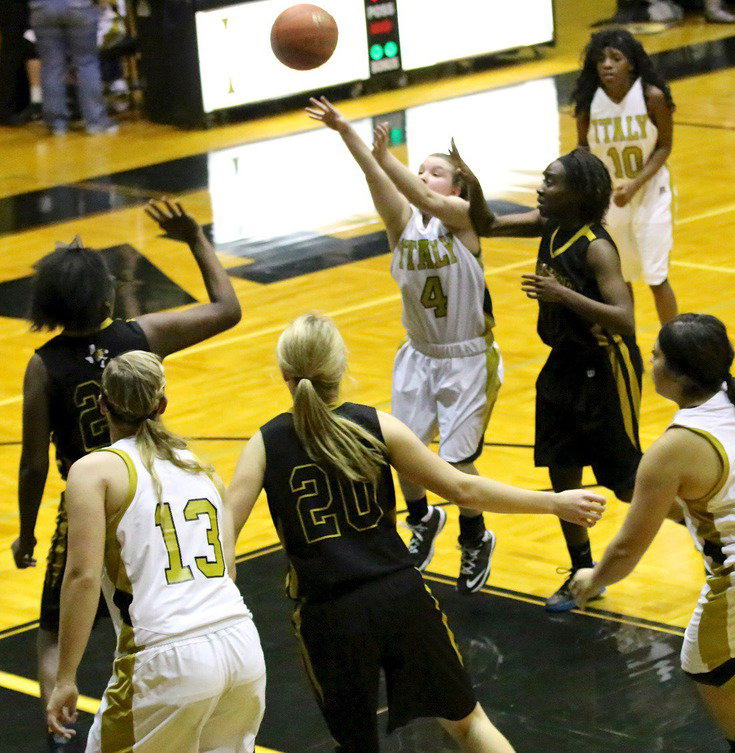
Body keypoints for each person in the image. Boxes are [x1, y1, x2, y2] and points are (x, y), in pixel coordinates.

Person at [227, 312, 605, 753]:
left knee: (355, 745)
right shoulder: (377, 425)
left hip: (329, 616)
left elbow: (222, 539)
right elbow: (465, 487)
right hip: (399, 596)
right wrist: (554, 502)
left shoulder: (265, 443)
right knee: (469, 725)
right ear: (341, 367)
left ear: (283, 375)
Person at [13, 199, 241, 752]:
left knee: (53, 629)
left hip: (90, 503)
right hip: (151, 493)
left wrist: (27, 531)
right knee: (151, 608)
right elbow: (227, 308)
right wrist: (195, 239)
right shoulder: (139, 336)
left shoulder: (44, 364)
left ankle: (61, 731)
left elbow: (34, 462)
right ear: (105, 295)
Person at [571, 313, 735, 753]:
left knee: (705, 667)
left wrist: (592, 578)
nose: (650, 360)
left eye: (655, 354)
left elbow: (625, 550)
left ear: (674, 373)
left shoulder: (673, 448)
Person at [307, 96, 503, 594]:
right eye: (420, 169)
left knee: (456, 463)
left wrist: (389, 157)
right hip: (418, 354)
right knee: (401, 454)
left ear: (457, 185)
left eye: (434, 171)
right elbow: (377, 181)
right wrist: (347, 131)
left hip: (467, 358)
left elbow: (430, 200)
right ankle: (421, 520)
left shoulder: (462, 216)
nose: (424, 176)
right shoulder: (403, 227)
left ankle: (475, 536)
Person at [452, 147, 643, 611]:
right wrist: (472, 183)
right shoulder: (549, 225)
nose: (541, 187)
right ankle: (582, 572)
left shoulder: (596, 246)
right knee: (562, 473)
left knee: (625, 483)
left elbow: (625, 319)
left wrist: (563, 294)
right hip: (564, 364)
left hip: (606, 365)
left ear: (577, 193)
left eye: (551, 181)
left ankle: (713, 538)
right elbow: (487, 225)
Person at [46, 351, 266, 753]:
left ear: (102, 405)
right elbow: (228, 571)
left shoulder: (94, 471)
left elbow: (82, 577)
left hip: (168, 656)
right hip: (242, 644)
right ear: (161, 405)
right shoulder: (201, 467)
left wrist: (64, 678)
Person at [572, 28, 679, 326]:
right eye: (601, 59)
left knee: (656, 277)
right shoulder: (589, 103)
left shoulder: (651, 97)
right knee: (620, 277)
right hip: (611, 200)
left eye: (615, 58)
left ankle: (675, 345)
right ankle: (626, 344)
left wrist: (635, 184)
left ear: (630, 63)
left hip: (650, 194)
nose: (606, 64)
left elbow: (664, 146)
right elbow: (582, 145)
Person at [28, 0, 116, 134]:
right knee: (86, 64)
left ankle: (56, 124)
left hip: (42, 7)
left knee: (51, 65)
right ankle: (95, 121)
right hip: (78, 6)